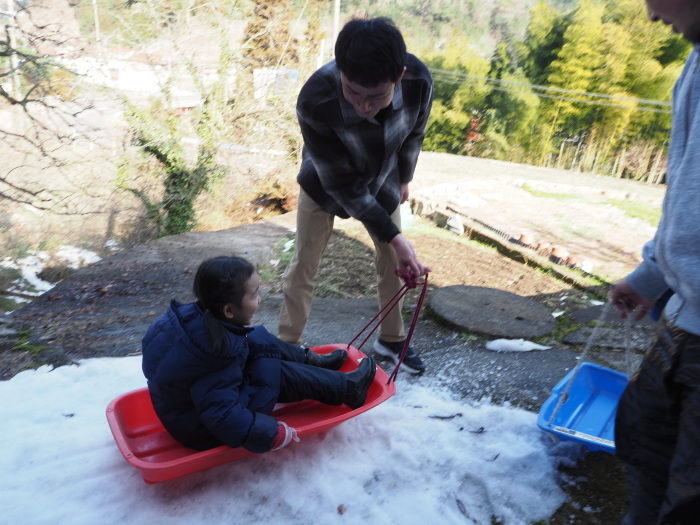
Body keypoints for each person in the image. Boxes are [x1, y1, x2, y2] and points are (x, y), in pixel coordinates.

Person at [278, 17, 432, 374]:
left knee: (392, 262)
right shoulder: (315, 98)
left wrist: (405, 178)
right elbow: (344, 187)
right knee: (305, 262)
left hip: (383, 180)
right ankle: (285, 347)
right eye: (352, 92)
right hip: (325, 182)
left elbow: (414, 134)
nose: (364, 106)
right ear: (341, 72)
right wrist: (396, 235)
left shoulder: (419, 81)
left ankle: (391, 340)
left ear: (399, 76)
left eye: (376, 96)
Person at [611, 2, 700, 523]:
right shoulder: (694, 56)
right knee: (642, 436)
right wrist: (652, 276)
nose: (648, 12)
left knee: (689, 495)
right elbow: (686, 192)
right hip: (683, 315)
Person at [142, 256, 377, 453]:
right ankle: (348, 389)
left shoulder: (195, 317)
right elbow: (222, 415)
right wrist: (271, 434)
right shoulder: (215, 357)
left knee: (254, 338)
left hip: (190, 413)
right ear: (228, 310)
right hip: (205, 431)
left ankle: (309, 359)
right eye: (254, 295)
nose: (260, 299)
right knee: (273, 372)